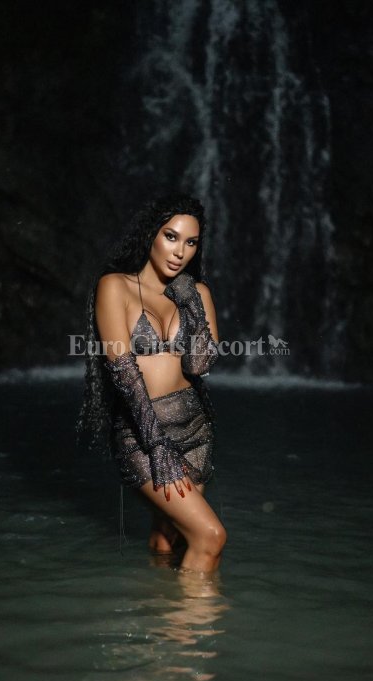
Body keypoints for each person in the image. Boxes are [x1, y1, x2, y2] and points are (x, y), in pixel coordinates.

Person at [76, 193, 227, 574]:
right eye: (171, 237)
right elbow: (124, 373)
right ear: (151, 235)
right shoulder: (115, 286)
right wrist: (157, 444)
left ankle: (159, 604)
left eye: (191, 242)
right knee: (210, 537)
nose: (180, 251)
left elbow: (199, 363)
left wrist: (192, 303)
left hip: (196, 432)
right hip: (144, 436)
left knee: (167, 537)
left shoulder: (197, 292)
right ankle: (199, 616)